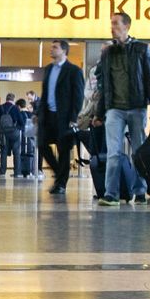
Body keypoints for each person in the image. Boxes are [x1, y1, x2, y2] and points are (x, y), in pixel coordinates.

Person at [94, 10, 150, 207]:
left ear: (127, 26)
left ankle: (140, 190)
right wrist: (99, 113)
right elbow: (102, 83)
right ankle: (111, 193)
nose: (112, 27)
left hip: (137, 107)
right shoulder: (108, 52)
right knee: (113, 152)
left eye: (115, 23)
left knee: (138, 152)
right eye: (111, 23)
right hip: (114, 108)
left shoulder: (142, 49)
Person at [39, 40, 86, 195]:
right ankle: (60, 171)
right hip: (48, 116)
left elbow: (78, 96)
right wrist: (38, 113)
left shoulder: (74, 71)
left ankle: (61, 184)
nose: (51, 49)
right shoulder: (48, 69)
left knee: (63, 150)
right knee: (42, 144)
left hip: (64, 117)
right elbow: (45, 94)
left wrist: (74, 117)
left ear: (64, 50)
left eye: (55, 47)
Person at [0, 93, 24, 178]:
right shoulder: (15, 108)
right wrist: (19, 128)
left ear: (6, 98)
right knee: (16, 152)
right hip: (14, 132)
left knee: (4, 152)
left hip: (3, 133)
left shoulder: (0, 108)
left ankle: (2, 172)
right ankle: (17, 172)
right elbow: (21, 122)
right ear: (13, 99)